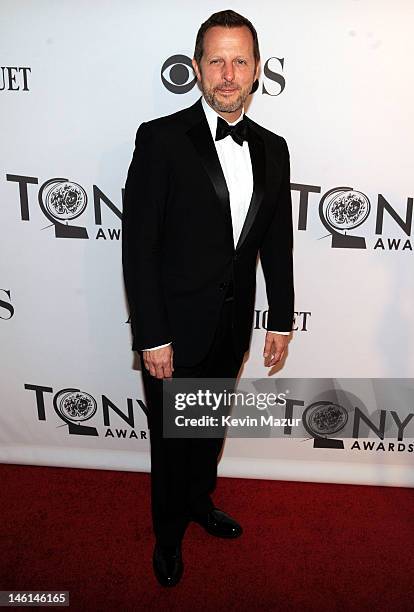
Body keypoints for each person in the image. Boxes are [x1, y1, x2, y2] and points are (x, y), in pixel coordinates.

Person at [122, 9, 294, 587]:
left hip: (231, 326)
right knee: (172, 444)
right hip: (173, 329)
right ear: (196, 68)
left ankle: (200, 503)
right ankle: (168, 537)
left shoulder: (274, 147)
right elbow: (139, 245)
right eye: (216, 60)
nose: (227, 73)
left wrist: (281, 318)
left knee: (208, 429)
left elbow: (277, 239)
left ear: (256, 70)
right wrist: (152, 335)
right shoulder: (162, 138)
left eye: (239, 60)